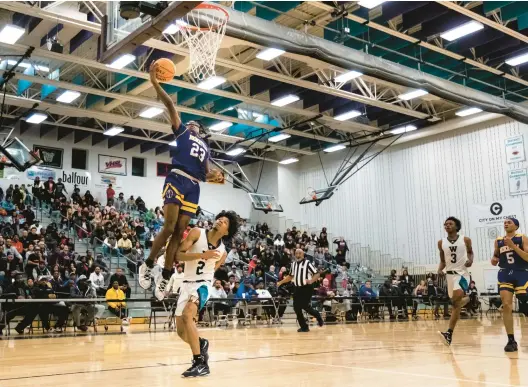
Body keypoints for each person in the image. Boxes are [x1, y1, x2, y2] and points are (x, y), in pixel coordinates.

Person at [138, 62, 223, 299]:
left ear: (202, 131)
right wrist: (155, 83)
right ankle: (147, 264)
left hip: (194, 186)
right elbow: (170, 105)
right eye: (192, 122)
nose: (193, 123)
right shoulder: (183, 131)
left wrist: (213, 175)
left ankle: (165, 276)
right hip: (177, 178)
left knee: (180, 232)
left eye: (197, 123)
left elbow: (206, 173)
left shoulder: (206, 147)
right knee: (170, 225)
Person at [173, 210, 238, 377]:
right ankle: (202, 343)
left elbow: (211, 271)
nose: (219, 221)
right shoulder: (197, 232)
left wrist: (206, 284)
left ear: (227, 231)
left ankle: (200, 363)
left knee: (189, 315)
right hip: (186, 284)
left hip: (202, 285)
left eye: (224, 222)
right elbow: (178, 255)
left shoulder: (222, 252)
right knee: (180, 332)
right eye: (219, 218)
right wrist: (203, 255)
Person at [492, 217, 528, 352]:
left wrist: (513, 246)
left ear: (516, 226)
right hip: (505, 273)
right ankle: (511, 340)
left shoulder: (522, 238)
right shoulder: (498, 241)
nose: (506, 224)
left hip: (521, 272)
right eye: (505, 222)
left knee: (524, 303)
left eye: (509, 222)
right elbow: (495, 256)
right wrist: (494, 259)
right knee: (506, 305)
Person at [438, 217, 473, 346]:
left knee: (456, 299)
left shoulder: (465, 239)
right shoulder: (441, 242)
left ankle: (449, 332)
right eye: (445, 224)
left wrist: (470, 260)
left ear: (456, 226)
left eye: (450, 224)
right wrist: (440, 270)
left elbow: (470, 252)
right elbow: (442, 260)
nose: (447, 225)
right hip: (449, 275)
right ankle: (449, 334)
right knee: (455, 305)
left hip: (462, 274)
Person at [277, 248, 324, 332]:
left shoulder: (307, 263)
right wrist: (281, 282)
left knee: (305, 306)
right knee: (296, 307)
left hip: (307, 287)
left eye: (300, 253)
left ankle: (317, 315)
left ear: (303, 254)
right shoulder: (293, 264)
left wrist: (311, 280)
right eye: (296, 253)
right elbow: (290, 276)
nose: (298, 254)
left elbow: (317, 274)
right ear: (295, 254)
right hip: (297, 288)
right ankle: (304, 327)